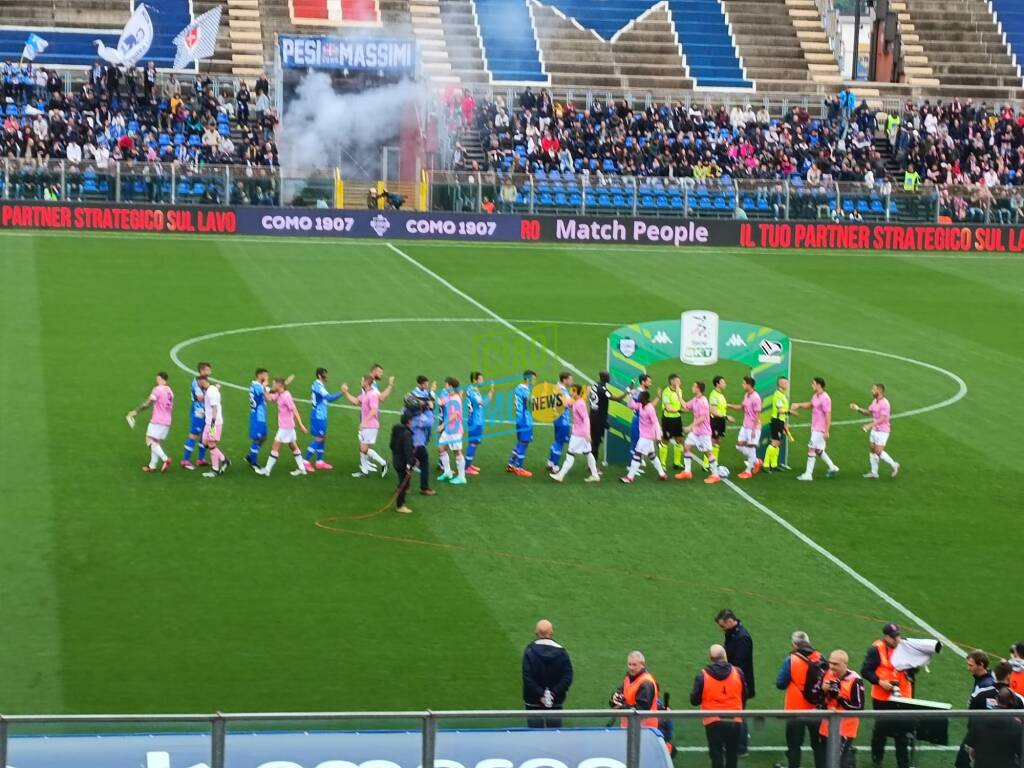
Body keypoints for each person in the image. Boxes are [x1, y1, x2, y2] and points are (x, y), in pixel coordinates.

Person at [861, 623, 913, 768]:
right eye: (893, 637)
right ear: (886, 637)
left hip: (903, 696)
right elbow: (866, 670)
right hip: (882, 697)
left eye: (898, 635)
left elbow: (914, 670)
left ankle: (903, 764)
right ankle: (877, 760)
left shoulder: (906, 648)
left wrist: (914, 667)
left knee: (902, 734)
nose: (897, 639)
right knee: (881, 730)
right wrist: (880, 682)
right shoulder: (876, 649)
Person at [690, 644, 747, 768]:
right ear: (725, 656)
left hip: (712, 721)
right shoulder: (738, 672)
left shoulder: (703, 675)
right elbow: (744, 695)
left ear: (711, 658)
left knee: (716, 755)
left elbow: (694, 700)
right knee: (732, 755)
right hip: (734, 720)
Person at [776, 630, 826, 768]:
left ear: (794, 644)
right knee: (819, 745)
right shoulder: (821, 658)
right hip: (817, 709)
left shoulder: (791, 660)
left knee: (794, 745)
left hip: (795, 711)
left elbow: (780, 683)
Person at [716, 610, 755, 755]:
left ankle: (741, 747)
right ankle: (738, 741)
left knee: (738, 714)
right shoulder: (734, 634)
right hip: (736, 681)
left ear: (729, 621)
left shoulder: (742, 638)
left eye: (722, 626)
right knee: (736, 714)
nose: (722, 629)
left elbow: (738, 663)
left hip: (739, 684)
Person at [522, 619, 574, 727]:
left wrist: (541, 694)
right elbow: (567, 677)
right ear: (551, 633)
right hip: (555, 702)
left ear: (536, 633)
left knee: (534, 736)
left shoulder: (530, 651)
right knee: (554, 736)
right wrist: (553, 693)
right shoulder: (561, 653)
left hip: (533, 702)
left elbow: (527, 677)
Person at [342, 374, 395, 478]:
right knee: (362, 447)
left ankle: (384, 463)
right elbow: (356, 401)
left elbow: (374, 410)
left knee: (364, 448)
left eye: (362, 380)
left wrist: (364, 422)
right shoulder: (366, 393)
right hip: (367, 425)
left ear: (366, 382)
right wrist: (345, 393)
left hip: (370, 426)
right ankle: (364, 471)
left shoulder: (373, 394)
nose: (360, 382)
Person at [255, 377, 309, 477]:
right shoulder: (279, 394)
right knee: (293, 446)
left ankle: (267, 470)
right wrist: (264, 389)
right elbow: (270, 399)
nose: (273, 386)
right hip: (287, 426)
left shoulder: (286, 396)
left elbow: (294, 410)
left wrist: (301, 425)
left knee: (275, 446)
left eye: (274, 384)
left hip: (286, 427)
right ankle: (302, 469)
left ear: (279, 385)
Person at [818, 650, 864, 768]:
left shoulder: (855, 680)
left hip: (845, 729)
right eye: (830, 663)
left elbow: (859, 707)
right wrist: (822, 691)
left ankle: (849, 760)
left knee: (837, 763)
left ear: (845, 664)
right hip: (826, 727)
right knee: (824, 762)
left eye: (835, 664)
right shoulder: (827, 674)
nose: (831, 667)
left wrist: (839, 698)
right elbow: (819, 701)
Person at [956, 650, 1000, 768]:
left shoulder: (986, 686)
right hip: (976, 731)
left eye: (971, 665)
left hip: (979, 734)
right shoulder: (982, 679)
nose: (968, 668)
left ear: (981, 664)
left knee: (962, 763)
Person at [791, 377, 839, 481]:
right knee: (818, 449)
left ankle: (808, 474)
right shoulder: (816, 396)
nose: (811, 385)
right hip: (815, 427)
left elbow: (828, 415)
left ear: (819, 385)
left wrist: (827, 430)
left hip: (820, 429)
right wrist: (798, 405)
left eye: (813, 383)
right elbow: (810, 405)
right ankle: (832, 467)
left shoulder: (825, 398)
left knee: (811, 449)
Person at [550, 385, 600, 482]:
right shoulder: (576, 401)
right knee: (588, 453)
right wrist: (560, 397)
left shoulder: (580, 404)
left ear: (576, 392)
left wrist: (587, 433)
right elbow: (567, 404)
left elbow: (586, 418)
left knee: (570, 454)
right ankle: (595, 475)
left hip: (579, 434)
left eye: (572, 391)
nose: (570, 392)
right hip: (581, 433)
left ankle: (560, 475)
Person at [964, 687, 1024, 768]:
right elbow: (1021, 754)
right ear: (1012, 703)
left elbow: (969, 746)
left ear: (996, 699)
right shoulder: (1016, 726)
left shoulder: (978, 721)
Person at [850, 384, 900, 479]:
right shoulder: (875, 401)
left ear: (879, 391)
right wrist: (857, 408)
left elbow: (883, 419)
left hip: (882, 431)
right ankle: (874, 472)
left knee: (878, 451)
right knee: (872, 449)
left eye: (874, 389)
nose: (872, 391)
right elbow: (868, 412)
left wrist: (869, 425)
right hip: (875, 430)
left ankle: (894, 465)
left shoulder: (885, 403)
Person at [127, 372, 173, 473]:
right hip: (167, 421)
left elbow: (148, 403)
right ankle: (152, 466)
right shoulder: (169, 390)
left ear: (160, 379)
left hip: (158, 420)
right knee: (155, 442)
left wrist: (135, 411)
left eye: (157, 379)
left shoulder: (157, 389)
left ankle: (165, 459)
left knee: (149, 440)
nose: (156, 381)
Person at [676, 381, 721, 484]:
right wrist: (679, 395)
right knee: (687, 446)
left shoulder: (703, 402)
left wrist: (689, 427)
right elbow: (686, 406)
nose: (692, 387)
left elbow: (702, 418)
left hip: (703, 433)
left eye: (694, 386)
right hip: (696, 432)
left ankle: (715, 475)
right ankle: (687, 472)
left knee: (707, 453)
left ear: (698, 389)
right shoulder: (696, 399)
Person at [621, 390, 667, 483]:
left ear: (644, 398)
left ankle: (630, 477)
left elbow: (656, 423)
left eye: (640, 396)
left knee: (637, 454)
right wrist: (630, 395)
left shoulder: (650, 409)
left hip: (647, 437)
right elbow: (630, 405)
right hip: (645, 436)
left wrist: (658, 437)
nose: (638, 398)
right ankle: (662, 474)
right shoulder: (640, 405)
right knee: (652, 455)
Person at [303, 367, 343, 471]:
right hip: (318, 416)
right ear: (320, 376)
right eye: (325, 374)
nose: (327, 376)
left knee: (323, 437)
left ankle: (319, 462)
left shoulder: (319, 385)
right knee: (319, 438)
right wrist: (342, 392)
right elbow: (329, 398)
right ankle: (305, 461)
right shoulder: (318, 386)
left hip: (321, 415)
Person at [611, 651, 660, 727]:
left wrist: (620, 707)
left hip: (645, 731)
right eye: (629, 664)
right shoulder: (629, 678)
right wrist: (615, 697)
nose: (631, 667)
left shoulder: (646, 683)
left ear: (642, 665)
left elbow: (640, 710)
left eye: (634, 665)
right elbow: (621, 692)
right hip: (629, 728)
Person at [588, 370, 625, 465]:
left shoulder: (595, 385)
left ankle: (592, 463)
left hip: (593, 415)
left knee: (596, 441)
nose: (610, 378)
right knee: (595, 443)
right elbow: (618, 399)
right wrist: (628, 391)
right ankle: (592, 466)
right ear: (604, 378)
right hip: (598, 419)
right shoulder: (603, 390)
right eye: (608, 376)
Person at [181, 361, 212, 469]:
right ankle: (185, 460)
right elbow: (200, 398)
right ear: (202, 370)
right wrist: (213, 392)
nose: (210, 371)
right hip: (198, 411)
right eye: (208, 369)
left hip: (206, 412)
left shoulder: (205, 381)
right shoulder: (197, 381)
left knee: (205, 435)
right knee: (194, 435)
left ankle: (201, 459)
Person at [408, 385, 437, 497]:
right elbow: (430, 422)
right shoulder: (422, 418)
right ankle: (424, 488)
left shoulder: (406, 412)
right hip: (418, 445)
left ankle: (403, 487)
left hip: (407, 443)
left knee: (408, 466)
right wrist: (429, 408)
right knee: (424, 465)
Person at [731, 376, 763, 479]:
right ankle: (756, 461)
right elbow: (742, 407)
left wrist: (754, 430)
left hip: (753, 428)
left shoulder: (756, 398)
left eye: (744, 383)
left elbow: (758, 414)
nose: (742, 385)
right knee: (739, 445)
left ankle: (748, 471)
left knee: (751, 448)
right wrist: (728, 405)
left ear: (749, 385)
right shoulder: (747, 395)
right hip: (745, 426)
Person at [437, 377, 467, 485]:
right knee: (440, 448)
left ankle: (461, 477)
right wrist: (431, 392)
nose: (444, 386)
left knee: (457, 452)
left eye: (446, 385)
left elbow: (454, 415)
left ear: (450, 386)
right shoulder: (450, 396)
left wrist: (442, 425)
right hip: (449, 430)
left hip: (454, 430)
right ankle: (447, 472)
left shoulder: (455, 399)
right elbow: (440, 402)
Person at [463, 371, 494, 476]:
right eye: (480, 379)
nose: (482, 381)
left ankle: (469, 464)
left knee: (475, 443)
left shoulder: (473, 389)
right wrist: (490, 393)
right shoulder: (473, 392)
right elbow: (482, 403)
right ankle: (466, 467)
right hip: (475, 421)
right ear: (475, 380)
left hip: (476, 419)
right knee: (473, 443)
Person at [507, 370, 536, 477]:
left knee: (520, 441)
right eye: (533, 379)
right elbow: (532, 401)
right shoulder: (525, 390)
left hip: (519, 418)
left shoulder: (518, 387)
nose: (534, 381)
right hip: (525, 420)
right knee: (524, 442)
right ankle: (519, 467)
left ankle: (511, 464)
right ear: (528, 379)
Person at [198, 377, 228, 477]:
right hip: (209, 422)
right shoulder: (211, 389)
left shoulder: (211, 392)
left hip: (213, 423)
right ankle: (224, 459)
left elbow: (214, 408)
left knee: (211, 444)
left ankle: (215, 470)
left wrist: (213, 423)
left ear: (203, 382)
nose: (198, 385)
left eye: (199, 383)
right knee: (204, 442)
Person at [389, 411, 416, 514]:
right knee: (403, 484)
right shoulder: (407, 434)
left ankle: (400, 494)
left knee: (403, 481)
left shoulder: (397, 431)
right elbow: (408, 451)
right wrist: (410, 464)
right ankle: (400, 506)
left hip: (396, 459)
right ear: (409, 422)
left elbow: (391, 445)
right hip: (402, 462)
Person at [546, 372, 573, 473]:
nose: (571, 381)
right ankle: (555, 465)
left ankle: (550, 462)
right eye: (570, 379)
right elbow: (568, 404)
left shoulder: (555, 387)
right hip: (563, 420)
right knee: (559, 442)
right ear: (565, 380)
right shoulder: (562, 390)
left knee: (557, 441)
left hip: (556, 418)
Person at [763, 376, 790, 472]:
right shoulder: (778, 395)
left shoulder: (783, 395)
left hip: (780, 421)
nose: (787, 385)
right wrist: (790, 412)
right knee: (775, 442)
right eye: (786, 383)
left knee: (778, 442)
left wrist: (785, 423)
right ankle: (766, 464)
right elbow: (780, 410)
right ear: (781, 384)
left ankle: (774, 464)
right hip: (776, 421)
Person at [658, 374, 685, 471]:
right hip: (668, 419)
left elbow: (682, 403)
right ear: (672, 382)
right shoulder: (666, 392)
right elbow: (668, 408)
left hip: (677, 419)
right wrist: (680, 410)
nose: (680, 382)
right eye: (678, 381)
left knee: (679, 439)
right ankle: (662, 464)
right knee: (666, 440)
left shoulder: (679, 391)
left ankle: (676, 463)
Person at [246, 368, 271, 468]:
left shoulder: (258, 386)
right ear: (260, 375)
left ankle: (250, 456)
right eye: (266, 375)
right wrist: (265, 387)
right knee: (258, 438)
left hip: (260, 415)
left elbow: (269, 394)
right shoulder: (258, 386)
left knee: (263, 437)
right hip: (257, 416)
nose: (267, 377)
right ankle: (253, 462)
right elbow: (269, 398)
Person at [709, 376, 734, 467]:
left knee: (718, 441)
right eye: (723, 382)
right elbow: (714, 411)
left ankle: (714, 462)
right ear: (717, 384)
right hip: (715, 420)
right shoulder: (714, 395)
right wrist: (727, 417)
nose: (725, 384)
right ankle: (707, 465)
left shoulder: (720, 395)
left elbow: (723, 406)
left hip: (721, 421)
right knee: (712, 442)